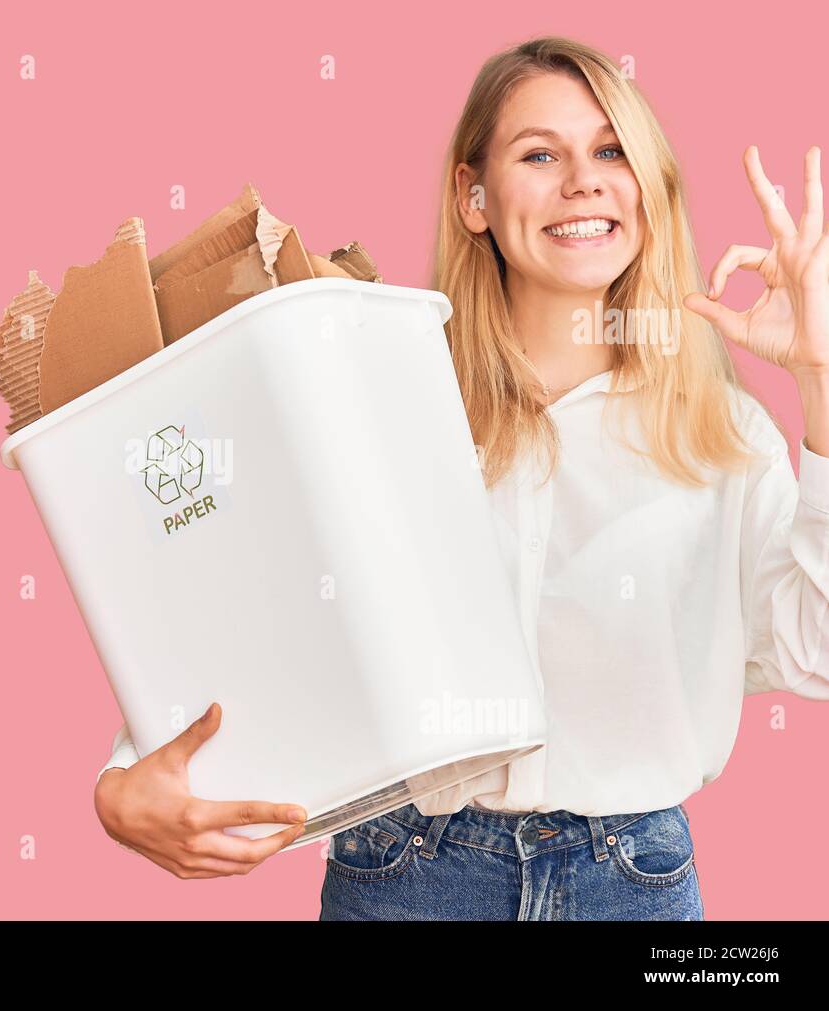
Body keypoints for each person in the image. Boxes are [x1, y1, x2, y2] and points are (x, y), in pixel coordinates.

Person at [92, 35, 829, 920]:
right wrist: (122, 778)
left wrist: (820, 376)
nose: (585, 180)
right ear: (472, 196)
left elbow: (814, 651)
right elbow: (259, 605)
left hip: (630, 883)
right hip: (404, 873)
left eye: (610, 151)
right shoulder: (378, 403)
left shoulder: (723, 434)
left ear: (647, 189)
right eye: (539, 154)